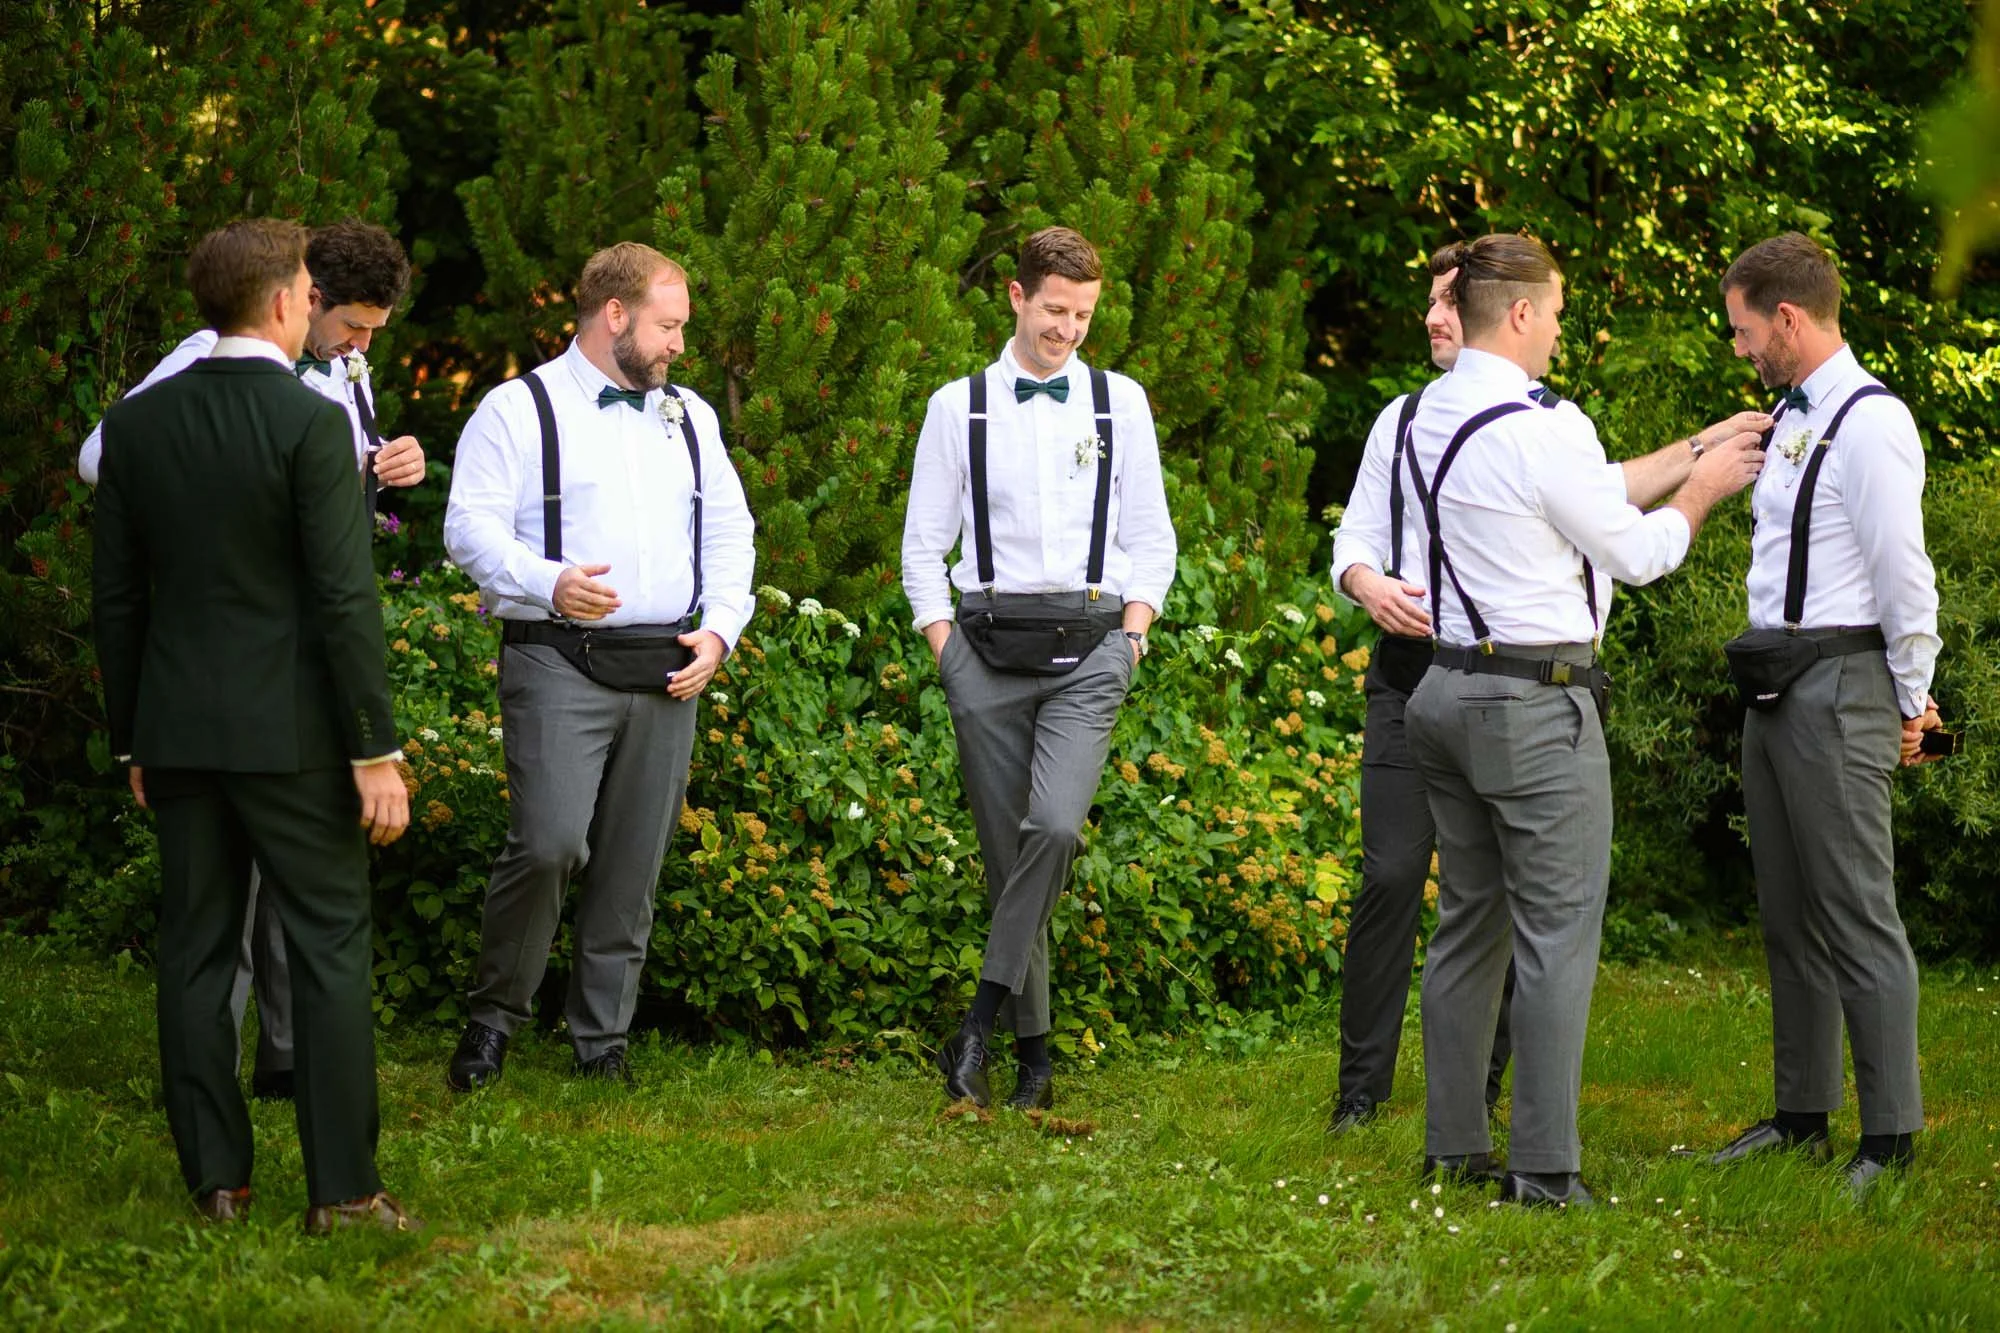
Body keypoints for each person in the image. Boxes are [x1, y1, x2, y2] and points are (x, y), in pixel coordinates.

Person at [1327, 243, 1770, 1136]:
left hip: (1443, 690)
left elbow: (1583, 494)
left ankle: (1453, 1147)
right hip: (1532, 699)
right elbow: (1636, 551)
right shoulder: (1539, 427)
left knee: (1466, 927)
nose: (1564, 326)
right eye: (1559, 310)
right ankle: (1544, 1164)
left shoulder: (1432, 418)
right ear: (1522, 314)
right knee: (1557, 935)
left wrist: (1695, 446)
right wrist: (1706, 489)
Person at [91, 217, 415, 1233]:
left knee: (191, 953)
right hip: (295, 739)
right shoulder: (309, 424)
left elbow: (118, 600)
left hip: (177, 732)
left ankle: (218, 1183)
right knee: (327, 946)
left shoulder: (136, 425)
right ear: (285, 300)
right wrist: (376, 745)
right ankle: (345, 1193)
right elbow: (342, 598)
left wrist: (131, 739)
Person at [441, 242, 755, 1091]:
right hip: (557, 660)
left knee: (632, 861)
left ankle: (601, 1038)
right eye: (668, 326)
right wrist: (548, 581)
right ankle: (493, 1019)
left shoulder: (688, 415)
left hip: (667, 667)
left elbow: (731, 530)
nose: (679, 347)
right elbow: (468, 526)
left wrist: (720, 629)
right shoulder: (517, 410)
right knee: (547, 844)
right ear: (614, 315)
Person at [1684, 232, 1943, 1203]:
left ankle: (1890, 1136)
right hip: (1773, 685)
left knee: (1852, 912)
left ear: (1786, 318)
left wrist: (1910, 699)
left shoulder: (1870, 422)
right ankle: (1798, 1115)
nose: (1740, 347)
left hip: (1841, 688)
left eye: (1744, 330)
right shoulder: (1791, 419)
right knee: (1786, 913)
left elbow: (1900, 575)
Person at [901, 226, 1176, 1110]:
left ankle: (975, 1026)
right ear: (1016, 298)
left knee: (1051, 830)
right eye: (1055, 309)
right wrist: (949, 655)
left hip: (1090, 650)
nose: (1068, 329)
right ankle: (1037, 1059)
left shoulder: (1120, 403)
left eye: (1084, 314)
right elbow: (921, 549)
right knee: (1008, 856)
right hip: (983, 652)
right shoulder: (959, 406)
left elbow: (1150, 537)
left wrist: (1131, 634)